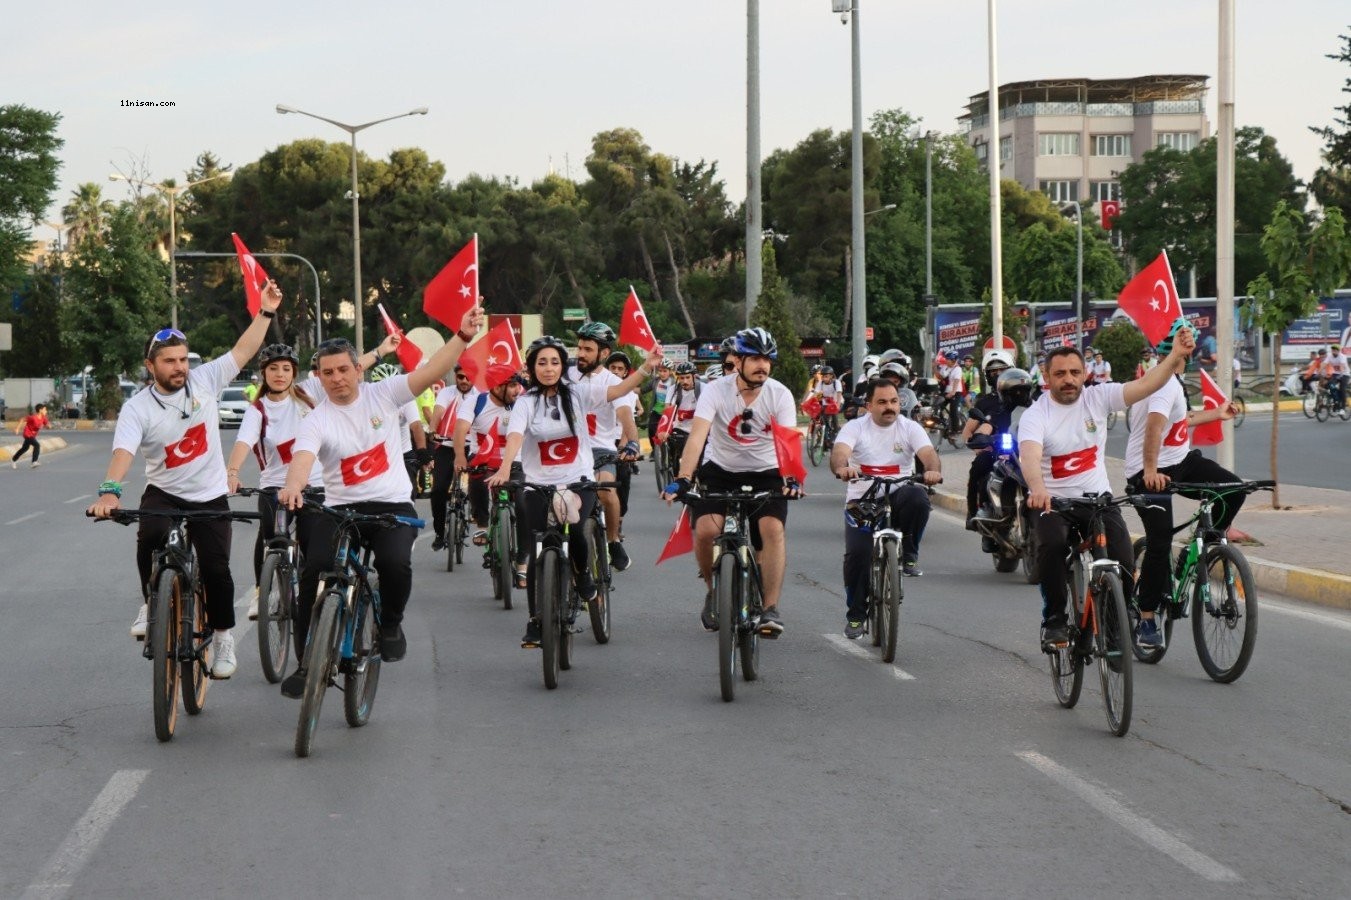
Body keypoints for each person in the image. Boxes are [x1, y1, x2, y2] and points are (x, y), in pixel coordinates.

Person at [278, 306, 486, 694]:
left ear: (359, 369)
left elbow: (430, 371)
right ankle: (308, 660)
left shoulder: (385, 394)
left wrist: (462, 336)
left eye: (343, 369)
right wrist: (293, 486)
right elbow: (303, 458)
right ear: (319, 378)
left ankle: (390, 622)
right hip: (339, 509)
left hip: (391, 505)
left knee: (394, 563)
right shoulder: (316, 418)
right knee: (314, 569)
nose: (337, 378)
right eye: (328, 373)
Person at [88, 280, 285, 680]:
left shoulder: (205, 381)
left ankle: (224, 638)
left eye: (182, 360)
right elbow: (124, 452)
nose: (179, 367)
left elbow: (243, 351)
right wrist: (109, 492)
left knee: (216, 572)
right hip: (165, 491)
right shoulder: (137, 408)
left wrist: (265, 312)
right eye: (169, 361)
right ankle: (151, 602)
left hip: (210, 496)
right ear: (151, 366)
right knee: (149, 535)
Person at [1019, 326, 1195, 650]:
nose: (1068, 379)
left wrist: (1174, 357)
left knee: (1124, 557)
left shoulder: (1097, 397)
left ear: (1085, 373)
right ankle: (1055, 620)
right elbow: (1029, 455)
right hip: (1053, 503)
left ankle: (1114, 623)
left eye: (1075, 372)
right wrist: (1037, 487)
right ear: (1047, 376)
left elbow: (1144, 385)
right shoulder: (1036, 415)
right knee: (1052, 547)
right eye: (1060, 374)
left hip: (1097, 501)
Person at [487, 336, 660, 648]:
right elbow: (514, 436)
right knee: (540, 549)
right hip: (538, 483)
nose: (549, 368)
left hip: (577, 479)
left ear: (561, 366)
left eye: (555, 362)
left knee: (578, 529)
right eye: (542, 362)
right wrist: (504, 468)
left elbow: (618, 391)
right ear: (532, 368)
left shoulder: (578, 393)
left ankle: (582, 577)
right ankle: (536, 620)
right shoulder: (526, 403)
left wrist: (647, 367)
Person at [663, 327, 801, 635]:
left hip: (767, 472)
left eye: (767, 359)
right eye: (754, 358)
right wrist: (684, 478)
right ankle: (714, 592)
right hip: (721, 471)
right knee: (705, 530)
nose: (762, 365)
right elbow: (698, 436)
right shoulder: (715, 391)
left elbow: (788, 442)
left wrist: (791, 477)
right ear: (737, 361)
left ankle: (770, 609)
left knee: (771, 529)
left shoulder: (780, 394)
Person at [1124, 321, 1241, 647]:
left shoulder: (1170, 381)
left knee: (1233, 488)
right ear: (1175, 351)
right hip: (1145, 472)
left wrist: (1217, 413)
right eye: (1186, 345)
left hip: (1179, 463)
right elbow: (1153, 427)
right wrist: (1149, 470)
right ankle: (1147, 618)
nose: (1191, 352)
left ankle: (1209, 541)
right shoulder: (1164, 385)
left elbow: (1182, 420)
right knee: (1159, 540)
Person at [831, 379, 943, 638]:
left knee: (919, 498)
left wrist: (933, 470)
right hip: (863, 498)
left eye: (893, 401)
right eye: (882, 402)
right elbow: (839, 452)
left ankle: (909, 555)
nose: (889, 407)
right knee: (858, 554)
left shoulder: (909, 427)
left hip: (899, 492)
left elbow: (928, 453)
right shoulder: (855, 428)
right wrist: (842, 467)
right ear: (869, 406)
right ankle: (857, 615)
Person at [224, 343, 322, 621]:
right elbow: (244, 441)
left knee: (313, 547)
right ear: (264, 373)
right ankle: (261, 591)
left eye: (286, 368)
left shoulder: (308, 393)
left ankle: (307, 593)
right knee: (270, 538)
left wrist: (379, 352)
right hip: (275, 487)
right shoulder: (258, 410)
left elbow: (343, 370)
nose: (280, 374)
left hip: (313, 484)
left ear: (294, 373)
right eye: (273, 368)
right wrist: (232, 472)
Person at [570, 322, 641, 572]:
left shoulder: (613, 382)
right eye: (579, 348)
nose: (581, 354)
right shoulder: (567, 375)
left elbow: (625, 415)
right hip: (570, 450)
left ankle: (612, 541)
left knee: (606, 492)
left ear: (603, 353)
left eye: (587, 349)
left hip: (601, 450)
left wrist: (632, 442)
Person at [452, 372, 523, 563]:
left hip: (515, 460)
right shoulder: (476, 402)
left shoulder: (523, 402)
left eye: (519, 385)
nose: (518, 390)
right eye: (513, 385)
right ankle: (482, 524)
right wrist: (459, 457)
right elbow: (460, 429)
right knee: (479, 483)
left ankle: (522, 552)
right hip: (483, 457)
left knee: (525, 502)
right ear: (498, 387)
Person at [961, 350, 1014, 535]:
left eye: (1002, 370)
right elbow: (967, 432)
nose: (998, 374)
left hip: (1023, 451)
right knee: (979, 466)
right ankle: (975, 512)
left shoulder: (1023, 397)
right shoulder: (985, 402)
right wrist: (980, 445)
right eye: (993, 372)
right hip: (996, 450)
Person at [428, 366, 479, 550]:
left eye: (468, 377)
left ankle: (475, 513)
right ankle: (440, 533)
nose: (464, 380)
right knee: (438, 490)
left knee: (477, 485)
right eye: (460, 377)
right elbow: (438, 411)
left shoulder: (480, 395)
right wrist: (433, 429)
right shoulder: (446, 392)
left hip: (470, 447)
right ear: (455, 377)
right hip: (447, 446)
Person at [368, 362, 431, 500]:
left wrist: (422, 451)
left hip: (404, 453)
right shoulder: (368, 402)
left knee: (408, 494)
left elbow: (416, 426)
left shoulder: (406, 400)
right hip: (379, 455)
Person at [11, 402, 50, 468]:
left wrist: (48, 426)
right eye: (45, 409)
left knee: (25, 448)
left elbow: (48, 425)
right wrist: (17, 429)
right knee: (37, 445)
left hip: (33, 435)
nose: (46, 411)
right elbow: (22, 419)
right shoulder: (33, 418)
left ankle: (13, 459)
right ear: (40, 410)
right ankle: (34, 462)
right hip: (27, 434)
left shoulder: (43, 418)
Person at [1323, 344, 1348, 410]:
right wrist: (1319, 372)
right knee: (1330, 385)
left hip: (1345, 374)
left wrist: (1341, 374)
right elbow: (1324, 364)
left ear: (1338, 351)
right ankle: (1336, 401)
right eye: (1333, 349)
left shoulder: (1342, 356)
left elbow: (1342, 366)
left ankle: (1343, 407)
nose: (1334, 351)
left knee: (1342, 389)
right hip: (1335, 374)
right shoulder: (1329, 356)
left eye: (1335, 350)